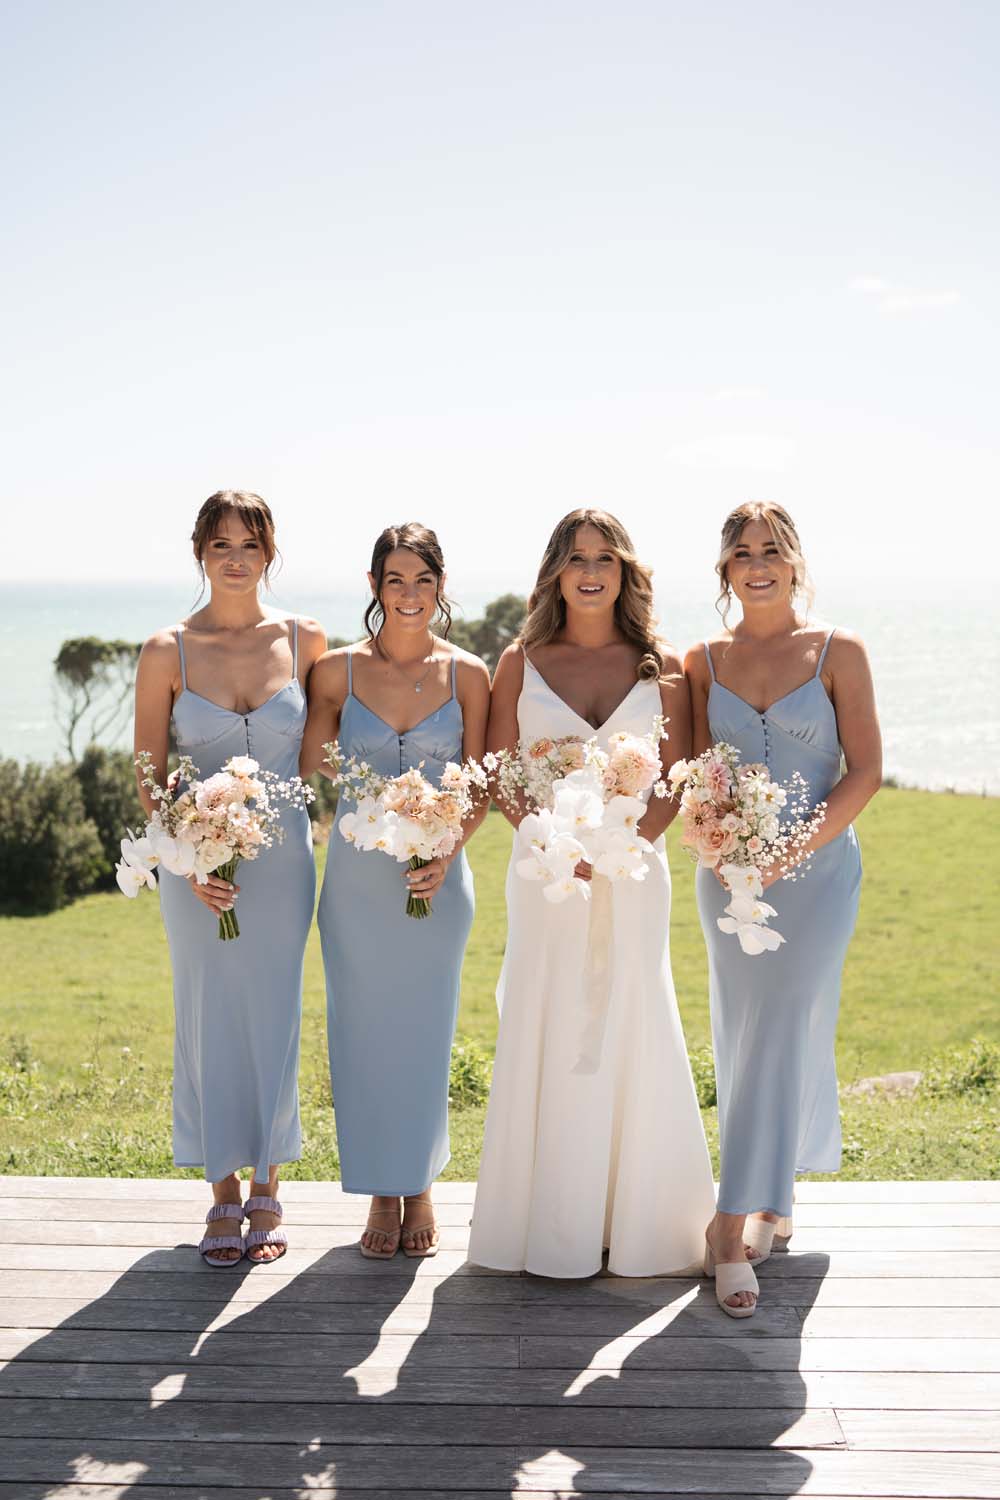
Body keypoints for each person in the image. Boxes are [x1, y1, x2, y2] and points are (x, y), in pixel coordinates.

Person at [468, 509, 715, 1277]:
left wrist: (629, 843)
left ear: (625, 571)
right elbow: (498, 767)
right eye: (577, 558)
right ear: (555, 570)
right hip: (547, 876)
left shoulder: (661, 663)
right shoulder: (522, 659)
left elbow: (682, 772)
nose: (591, 571)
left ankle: (635, 1218)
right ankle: (551, 1222)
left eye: (605, 558)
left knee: (632, 1013)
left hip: (634, 875)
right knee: (550, 1013)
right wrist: (548, 840)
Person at [686, 501, 881, 1317]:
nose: (757, 562)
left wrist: (790, 851)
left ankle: (729, 1226)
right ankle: (775, 1201)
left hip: (816, 875)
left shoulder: (840, 651)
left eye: (772, 549)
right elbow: (698, 772)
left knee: (789, 1024)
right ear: (725, 569)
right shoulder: (700, 660)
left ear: (796, 561)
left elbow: (865, 771)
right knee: (745, 1035)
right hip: (727, 880)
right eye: (742, 552)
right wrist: (721, 845)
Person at [133, 490, 325, 1265]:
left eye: (249, 544)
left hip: (282, 866)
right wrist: (189, 853)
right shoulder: (165, 650)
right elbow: (149, 771)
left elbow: (316, 754)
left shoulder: (307, 638)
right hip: (193, 869)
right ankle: (221, 1188)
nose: (236, 558)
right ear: (200, 554)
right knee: (206, 1014)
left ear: (270, 551)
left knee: (277, 1014)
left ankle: (269, 1183)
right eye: (220, 545)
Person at [301, 523, 490, 1258]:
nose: (409, 595)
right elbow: (314, 757)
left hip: (438, 879)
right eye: (394, 580)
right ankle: (383, 1190)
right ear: (375, 588)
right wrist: (379, 797)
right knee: (363, 1032)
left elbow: (482, 783)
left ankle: (421, 1184)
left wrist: (444, 843)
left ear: (441, 587)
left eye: (422, 580)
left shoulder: (470, 673)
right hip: (357, 883)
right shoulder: (337, 671)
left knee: (424, 1035)